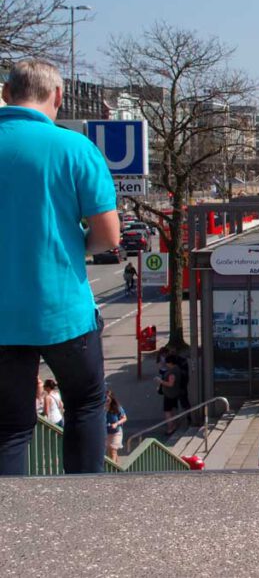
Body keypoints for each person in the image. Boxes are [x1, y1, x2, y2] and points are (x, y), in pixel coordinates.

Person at [0, 59, 119, 476]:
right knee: (86, 404)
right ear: (58, 97)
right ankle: (82, 514)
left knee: (10, 428)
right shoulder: (75, 148)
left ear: (6, 94)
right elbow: (109, 237)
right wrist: (73, 246)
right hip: (63, 311)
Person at [155, 354, 185, 434]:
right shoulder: (177, 369)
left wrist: (160, 381)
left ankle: (170, 427)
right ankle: (175, 424)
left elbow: (170, 384)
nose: (166, 364)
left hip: (169, 394)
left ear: (170, 363)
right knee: (174, 408)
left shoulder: (172, 372)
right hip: (175, 392)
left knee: (167, 410)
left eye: (167, 363)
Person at [105, 389, 127, 465]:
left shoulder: (117, 407)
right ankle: (117, 466)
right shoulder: (101, 408)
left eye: (107, 399)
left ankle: (112, 472)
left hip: (116, 432)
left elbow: (124, 418)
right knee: (110, 452)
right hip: (106, 432)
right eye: (104, 399)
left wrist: (116, 423)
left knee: (113, 451)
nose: (106, 401)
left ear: (111, 399)